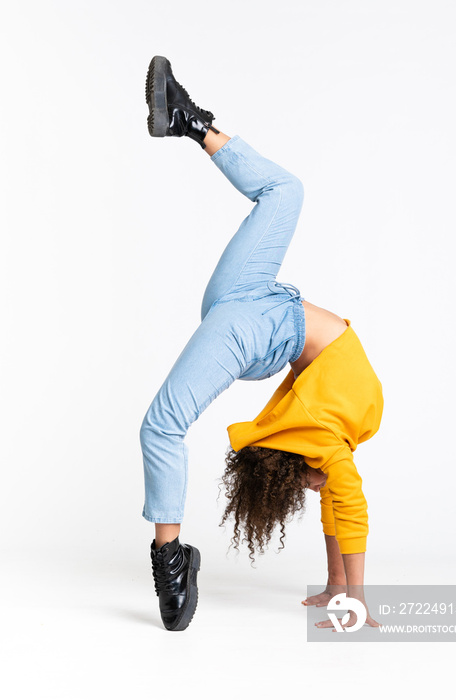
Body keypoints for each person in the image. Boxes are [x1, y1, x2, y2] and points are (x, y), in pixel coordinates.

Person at [141, 56, 384, 632]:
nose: (316, 492)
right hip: (257, 297)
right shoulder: (332, 451)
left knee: (162, 424)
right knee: (285, 192)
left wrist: (351, 592)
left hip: (260, 331)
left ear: (299, 465)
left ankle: (170, 562)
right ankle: (188, 120)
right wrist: (339, 589)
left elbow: (344, 508)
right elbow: (342, 511)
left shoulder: (327, 446)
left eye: (301, 486)